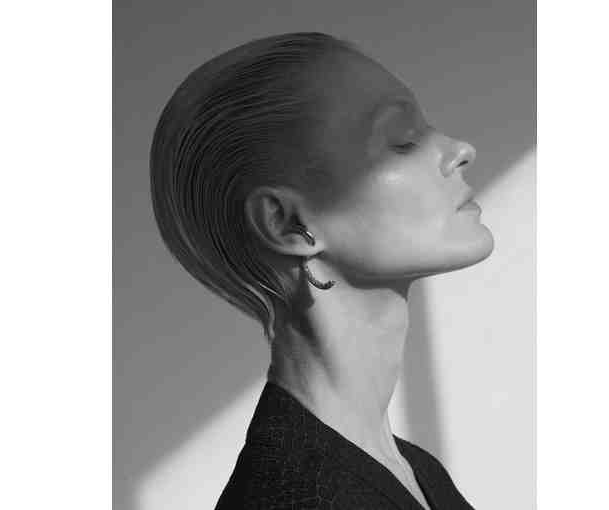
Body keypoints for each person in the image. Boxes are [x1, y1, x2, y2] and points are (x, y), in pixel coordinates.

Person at [150, 31, 493, 510]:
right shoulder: (293, 497)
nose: (460, 148)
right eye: (403, 141)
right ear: (287, 223)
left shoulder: (415, 471)